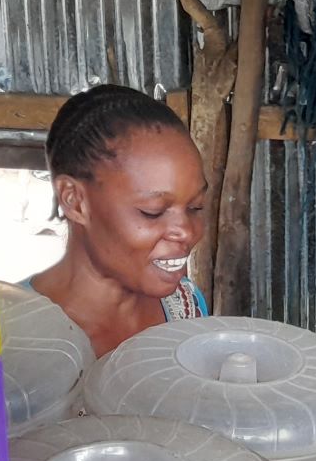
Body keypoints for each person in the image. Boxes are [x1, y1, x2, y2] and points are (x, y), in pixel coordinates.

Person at [27, 84, 210, 356]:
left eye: (195, 207)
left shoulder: (185, 308)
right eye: (153, 211)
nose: (186, 232)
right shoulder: (12, 338)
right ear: (75, 201)